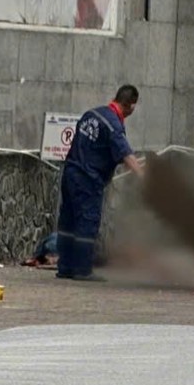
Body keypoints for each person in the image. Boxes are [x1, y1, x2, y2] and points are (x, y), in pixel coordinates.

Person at [57, 85, 145, 281]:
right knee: (87, 222)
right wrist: (142, 177)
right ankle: (82, 270)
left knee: (68, 220)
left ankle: (65, 267)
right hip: (88, 179)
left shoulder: (91, 114)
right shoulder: (113, 124)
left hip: (70, 172)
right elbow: (125, 155)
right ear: (131, 106)